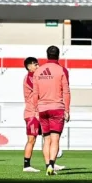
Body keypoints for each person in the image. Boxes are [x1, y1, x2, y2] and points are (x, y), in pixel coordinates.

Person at [32, 45, 70, 176]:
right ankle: (52, 166)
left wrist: (36, 110)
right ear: (58, 55)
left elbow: (34, 93)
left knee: (46, 139)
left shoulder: (38, 71)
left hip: (42, 109)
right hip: (57, 108)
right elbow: (66, 91)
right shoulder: (62, 70)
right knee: (55, 139)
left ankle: (47, 164)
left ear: (47, 55)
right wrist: (67, 109)